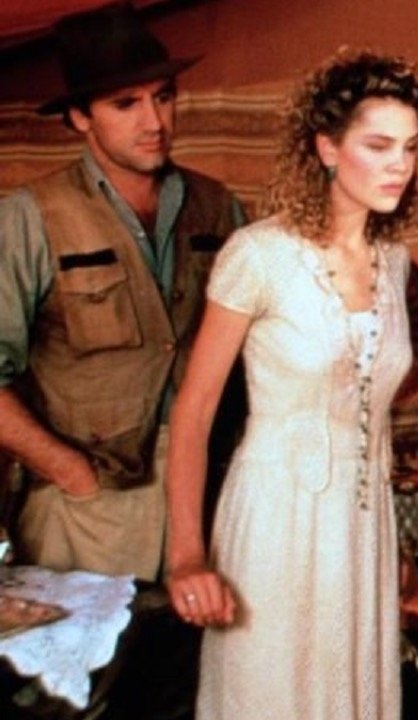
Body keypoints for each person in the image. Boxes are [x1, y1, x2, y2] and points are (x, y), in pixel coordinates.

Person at [162, 49, 418, 719]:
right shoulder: (258, 255)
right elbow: (193, 412)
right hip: (274, 521)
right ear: (326, 148)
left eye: (409, 147)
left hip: (362, 528)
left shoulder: (395, 263)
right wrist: (187, 555)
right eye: (378, 146)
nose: (399, 164)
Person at [0, 0, 245, 583]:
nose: (154, 121)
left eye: (164, 96)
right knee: (94, 646)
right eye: (125, 104)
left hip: (209, 496)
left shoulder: (219, 207)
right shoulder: (31, 217)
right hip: (87, 510)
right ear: (79, 117)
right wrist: (70, 473)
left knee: (196, 646)